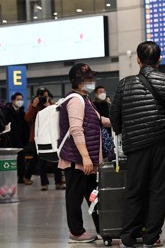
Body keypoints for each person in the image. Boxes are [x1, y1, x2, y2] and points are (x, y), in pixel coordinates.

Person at [110, 41, 165, 248]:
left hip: (136, 146)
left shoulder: (124, 84)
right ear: (160, 59)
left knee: (134, 189)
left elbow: (114, 115)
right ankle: (151, 237)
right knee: (158, 190)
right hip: (162, 143)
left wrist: (122, 130)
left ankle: (128, 236)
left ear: (138, 60)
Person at [58, 63, 110, 243]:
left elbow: (96, 121)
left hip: (85, 159)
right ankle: (76, 232)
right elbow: (76, 129)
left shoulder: (85, 99)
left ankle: (104, 228)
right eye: (88, 79)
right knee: (75, 196)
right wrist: (86, 157)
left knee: (92, 195)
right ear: (78, 82)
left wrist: (114, 121)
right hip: (76, 159)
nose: (92, 82)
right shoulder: (75, 100)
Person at [25, 87, 65, 190]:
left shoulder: (52, 105)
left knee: (55, 159)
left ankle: (59, 181)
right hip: (38, 138)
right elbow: (27, 118)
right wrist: (34, 106)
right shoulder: (34, 106)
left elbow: (57, 114)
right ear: (37, 97)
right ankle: (44, 183)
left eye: (46, 96)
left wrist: (49, 105)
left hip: (52, 136)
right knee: (41, 161)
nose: (44, 98)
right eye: (42, 96)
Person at [1, 92, 30, 184]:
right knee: (12, 159)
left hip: (20, 139)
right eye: (18, 99)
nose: (20, 101)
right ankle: (11, 177)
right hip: (10, 139)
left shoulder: (21, 111)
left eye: (21, 99)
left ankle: (21, 177)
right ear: (13, 100)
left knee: (21, 158)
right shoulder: (7, 111)